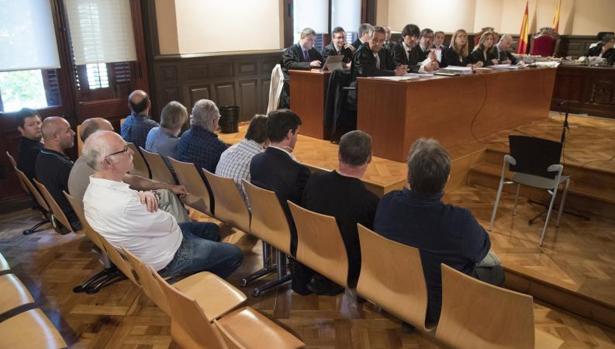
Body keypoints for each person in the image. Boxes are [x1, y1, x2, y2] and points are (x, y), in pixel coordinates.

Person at [374, 138, 502, 326]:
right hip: (437, 308)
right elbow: (482, 248)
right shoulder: (460, 220)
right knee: (495, 268)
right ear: (447, 178)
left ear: (408, 175)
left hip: (392, 291)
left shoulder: (387, 202)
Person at [82, 130, 243, 280]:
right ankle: (197, 281)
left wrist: (143, 194)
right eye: (124, 150)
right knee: (235, 254)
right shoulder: (123, 204)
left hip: (157, 243)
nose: (131, 152)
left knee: (212, 230)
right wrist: (147, 200)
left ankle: (200, 267)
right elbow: (168, 222)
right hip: (169, 257)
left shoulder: (92, 192)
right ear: (107, 162)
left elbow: (137, 206)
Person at [299, 130, 379, 295]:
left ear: (339, 154)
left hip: (310, 254)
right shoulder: (370, 201)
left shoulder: (314, 181)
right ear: (369, 158)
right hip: (347, 267)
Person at [68, 117, 190, 223]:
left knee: (164, 195)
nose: (117, 135)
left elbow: (132, 180)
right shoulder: (99, 168)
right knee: (166, 198)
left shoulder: (86, 162)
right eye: (111, 132)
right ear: (100, 138)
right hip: (117, 221)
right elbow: (133, 186)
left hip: (100, 222)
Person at [249, 109, 311, 293]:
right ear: (289, 134)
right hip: (288, 231)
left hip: (262, 222)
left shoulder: (256, 160)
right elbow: (304, 210)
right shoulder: (298, 171)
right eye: (297, 133)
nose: (297, 138)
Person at [34, 117, 80, 230]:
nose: (73, 133)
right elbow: (83, 197)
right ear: (56, 137)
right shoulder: (62, 166)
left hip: (61, 217)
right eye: (68, 130)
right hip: (75, 219)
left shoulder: (42, 156)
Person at [215, 115, 268, 202]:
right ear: (268, 137)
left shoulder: (228, 150)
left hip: (220, 204)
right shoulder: (259, 160)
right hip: (241, 211)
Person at [177, 99, 228, 173]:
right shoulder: (218, 146)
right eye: (218, 118)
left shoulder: (184, 136)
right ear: (213, 121)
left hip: (185, 181)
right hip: (208, 183)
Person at [15, 108, 43, 181]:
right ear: (21, 129)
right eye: (31, 125)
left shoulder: (25, 143)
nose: (38, 127)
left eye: (38, 122)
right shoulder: (34, 151)